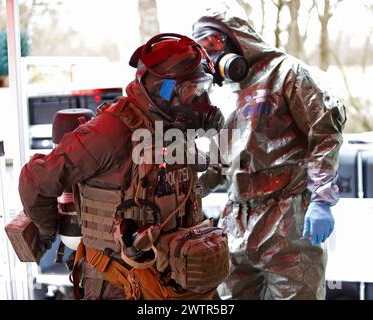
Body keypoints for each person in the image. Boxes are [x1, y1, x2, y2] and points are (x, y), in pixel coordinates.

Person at [18, 33, 228, 300]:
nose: (202, 102)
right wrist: (47, 231)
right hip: (120, 282)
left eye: (204, 90)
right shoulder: (109, 131)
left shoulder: (173, 125)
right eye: (192, 91)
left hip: (178, 279)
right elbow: (35, 180)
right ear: (163, 90)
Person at [192, 8, 346, 300]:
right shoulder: (223, 92)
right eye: (204, 48)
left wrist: (321, 199)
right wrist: (185, 197)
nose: (211, 56)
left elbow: (325, 131)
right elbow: (218, 158)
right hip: (236, 218)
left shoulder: (288, 73)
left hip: (288, 218)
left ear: (237, 38)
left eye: (214, 43)